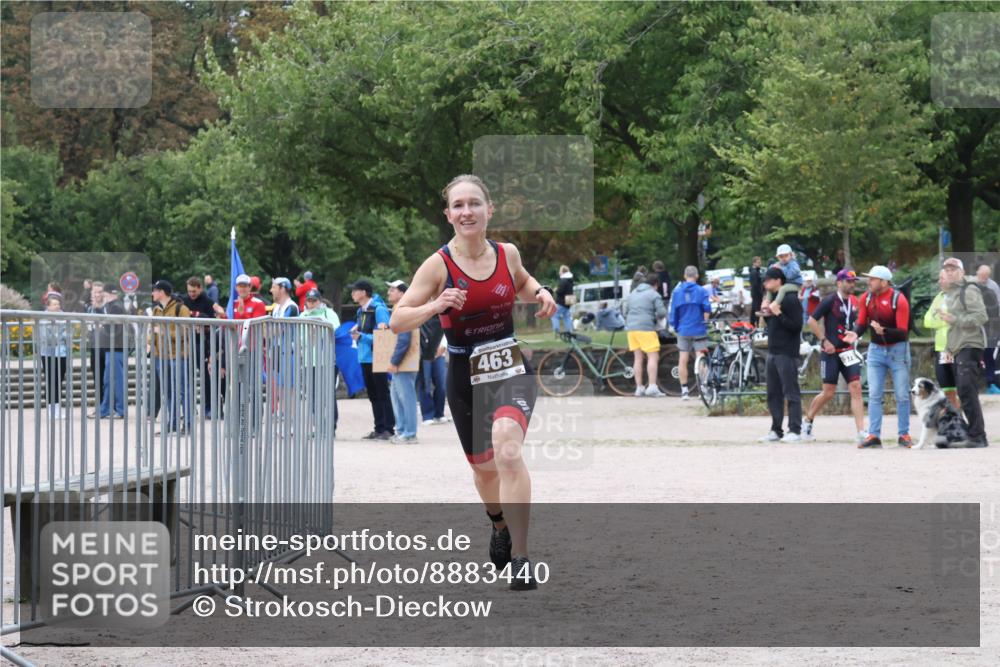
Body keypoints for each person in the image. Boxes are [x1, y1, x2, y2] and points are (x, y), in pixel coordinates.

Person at [389, 174, 556, 591]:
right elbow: (397, 319)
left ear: (489, 209)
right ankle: (497, 525)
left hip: (508, 365)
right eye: (459, 205)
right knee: (484, 471)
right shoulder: (437, 265)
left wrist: (542, 291)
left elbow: (521, 279)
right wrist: (436, 303)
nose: (467, 212)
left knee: (507, 445)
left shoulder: (508, 253)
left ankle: (520, 556)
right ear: (449, 215)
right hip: (463, 373)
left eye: (474, 204)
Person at [843, 265, 911, 448]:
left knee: (902, 395)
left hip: (898, 350)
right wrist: (855, 333)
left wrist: (885, 331)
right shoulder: (866, 298)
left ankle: (904, 435)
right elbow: (862, 323)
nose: (869, 282)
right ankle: (874, 435)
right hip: (876, 350)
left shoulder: (899, 299)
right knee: (874, 394)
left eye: (872, 279)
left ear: (884, 282)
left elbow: (903, 332)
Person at [801, 270, 865, 444]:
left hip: (848, 351)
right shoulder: (830, 300)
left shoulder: (853, 301)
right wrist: (824, 340)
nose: (852, 284)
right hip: (830, 352)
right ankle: (807, 421)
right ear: (839, 283)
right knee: (828, 392)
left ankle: (861, 431)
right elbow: (811, 321)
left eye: (854, 281)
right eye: (849, 281)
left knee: (856, 387)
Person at [939, 258, 989, 446]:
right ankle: (974, 434)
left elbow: (981, 316)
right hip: (960, 346)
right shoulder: (952, 292)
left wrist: (955, 319)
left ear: (961, 271)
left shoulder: (968, 290)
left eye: (953, 269)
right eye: (947, 269)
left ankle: (978, 436)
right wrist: (950, 348)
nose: (949, 272)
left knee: (967, 391)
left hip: (971, 344)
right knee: (965, 391)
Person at [758, 267, 804, 442]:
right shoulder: (771, 299)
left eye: (768, 280)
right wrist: (766, 313)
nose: (765, 283)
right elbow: (773, 325)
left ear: (778, 280)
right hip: (773, 351)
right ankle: (776, 430)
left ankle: (795, 429)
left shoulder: (790, 299)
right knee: (773, 393)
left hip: (787, 352)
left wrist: (779, 313)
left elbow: (796, 326)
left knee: (791, 392)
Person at [350, 279, 394, 440]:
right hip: (365, 357)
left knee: (382, 392)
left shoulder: (378, 308)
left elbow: (384, 336)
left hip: (378, 356)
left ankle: (388, 428)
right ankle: (379, 428)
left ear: (363, 292)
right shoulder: (361, 310)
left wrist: (361, 336)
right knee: (373, 394)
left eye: (355, 290)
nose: (352, 294)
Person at [150, 280, 192, 434]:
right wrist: (150, 345)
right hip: (161, 356)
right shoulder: (156, 310)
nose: (152, 293)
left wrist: (164, 332)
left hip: (178, 356)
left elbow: (186, 332)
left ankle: (187, 424)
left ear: (162, 292)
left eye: (154, 290)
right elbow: (152, 332)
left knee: (182, 390)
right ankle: (172, 423)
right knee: (166, 391)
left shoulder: (181, 309)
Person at [669, 266, 711, 401]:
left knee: (683, 359)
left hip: (683, 329)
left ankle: (684, 390)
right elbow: (707, 309)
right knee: (701, 358)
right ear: (697, 276)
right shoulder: (701, 291)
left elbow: (673, 312)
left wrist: (675, 327)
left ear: (684, 275)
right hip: (698, 328)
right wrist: (705, 323)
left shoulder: (677, 292)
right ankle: (704, 389)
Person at [302, 288, 341, 433]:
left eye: (314, 300)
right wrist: (309, 336)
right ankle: (318, 425)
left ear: (320, 301)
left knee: (328, 394)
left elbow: (335, 333)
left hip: (326, 360)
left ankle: (331, 426)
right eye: (309, 300)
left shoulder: (329, 313)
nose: (311, 303)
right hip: (308, 360)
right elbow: (299, 338)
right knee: (312, 396)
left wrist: (319, 332)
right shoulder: (302, 315)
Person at [923, 269, 962, 411]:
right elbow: (926, 321)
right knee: (947, 389)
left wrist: (942, 318)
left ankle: (962, 422)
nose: (939, 281)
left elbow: (957, 320)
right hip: (941, 350)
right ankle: (952, 421)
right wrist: (943, 320)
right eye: (939, 278)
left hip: (956, 348)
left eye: (942, 278)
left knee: (961, 390)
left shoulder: (959, 296)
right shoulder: (939, 297)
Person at [386, 280, 419, 443]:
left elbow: (404, 338)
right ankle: (402, 430)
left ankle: (409, 433)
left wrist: (394, 361)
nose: (389, 293)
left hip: (404, 362)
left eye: (392, 290)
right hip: (402, 362)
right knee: (397, 397)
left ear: (402, 293)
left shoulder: (404, 309)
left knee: (406, 398)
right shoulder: (399, 308)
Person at [625, 272, 668, 398]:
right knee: (652, 357)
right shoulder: (654, 294)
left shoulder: (632, 294)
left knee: (638, 358)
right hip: (646, 328)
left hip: (632, 329)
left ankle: (639, 388)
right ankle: (652, 386)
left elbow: (625, 310)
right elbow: (661, 313)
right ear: (656, 284)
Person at [184, 277, 217, 418]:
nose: (191, 294)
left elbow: (212, 321)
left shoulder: (208, 302)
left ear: (200, 288)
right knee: (187, 378)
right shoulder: (184, 300)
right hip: (187, 343)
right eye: (189, 291)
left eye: (194, 291)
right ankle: (189, 408)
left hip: (204, 344)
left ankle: (208, 408)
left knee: (207, 379)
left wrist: (196, 316)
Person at [38, 295, 70, 419]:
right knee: (51, 380)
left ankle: (57, 407)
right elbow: (45, 336)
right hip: (48, 352)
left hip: (62, 352)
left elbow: (68, 333)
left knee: (59, 379)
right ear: (48, 306)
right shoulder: (43, 318)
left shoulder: (63, 316)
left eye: (58, 304)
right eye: (55, 304)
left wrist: (59, 336)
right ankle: (51, 408)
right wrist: (58, 336)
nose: (58, 306)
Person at [96, 289, 127, 419]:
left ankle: (119, 410)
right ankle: (106, 409)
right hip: (112, 348)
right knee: (109, 380)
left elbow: (115, 327)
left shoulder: (116, 307)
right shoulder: (112, 306)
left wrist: (102, 323)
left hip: (116, 348)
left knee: (115, 380)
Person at [418, 311, 449, 425]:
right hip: (425, 350)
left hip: (439, 351)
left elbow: (446, 327)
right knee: (425, 383)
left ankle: (439, 413)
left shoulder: (441, 306)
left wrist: (444, 345)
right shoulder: (421, 307)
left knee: (441, 384)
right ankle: (427, 414)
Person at [975, 264, 1000, 393]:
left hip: (990, 326)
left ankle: (990, 383)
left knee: (989, 353)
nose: (983, 279)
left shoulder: (993, 286)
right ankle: (976, 383)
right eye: (981, 276)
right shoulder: (971, 285)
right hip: (975, 326)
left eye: (986, 277)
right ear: (977, 273)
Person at [552, 265, 575, 335]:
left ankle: (557, 331)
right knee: (567, 316)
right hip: (569, 301)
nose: (559, 272)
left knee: (554, 315)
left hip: (561, 301)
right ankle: (569, 331)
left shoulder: (563, 280)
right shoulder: (570, 280)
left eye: (560, 271)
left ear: (563, 272)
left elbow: (561, 291)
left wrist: (556, 290)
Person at [749, 256, 764, 324]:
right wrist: (761, 292)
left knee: (754, 308)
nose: (760, 263)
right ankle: (756, 323)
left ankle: (753, 323)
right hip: (756, 293)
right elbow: (755, 285)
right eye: (758, 262)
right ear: (754, 263)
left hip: (755, 293)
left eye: (760, 262)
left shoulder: (755, 271)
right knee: (756, 308)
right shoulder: (754, 272)